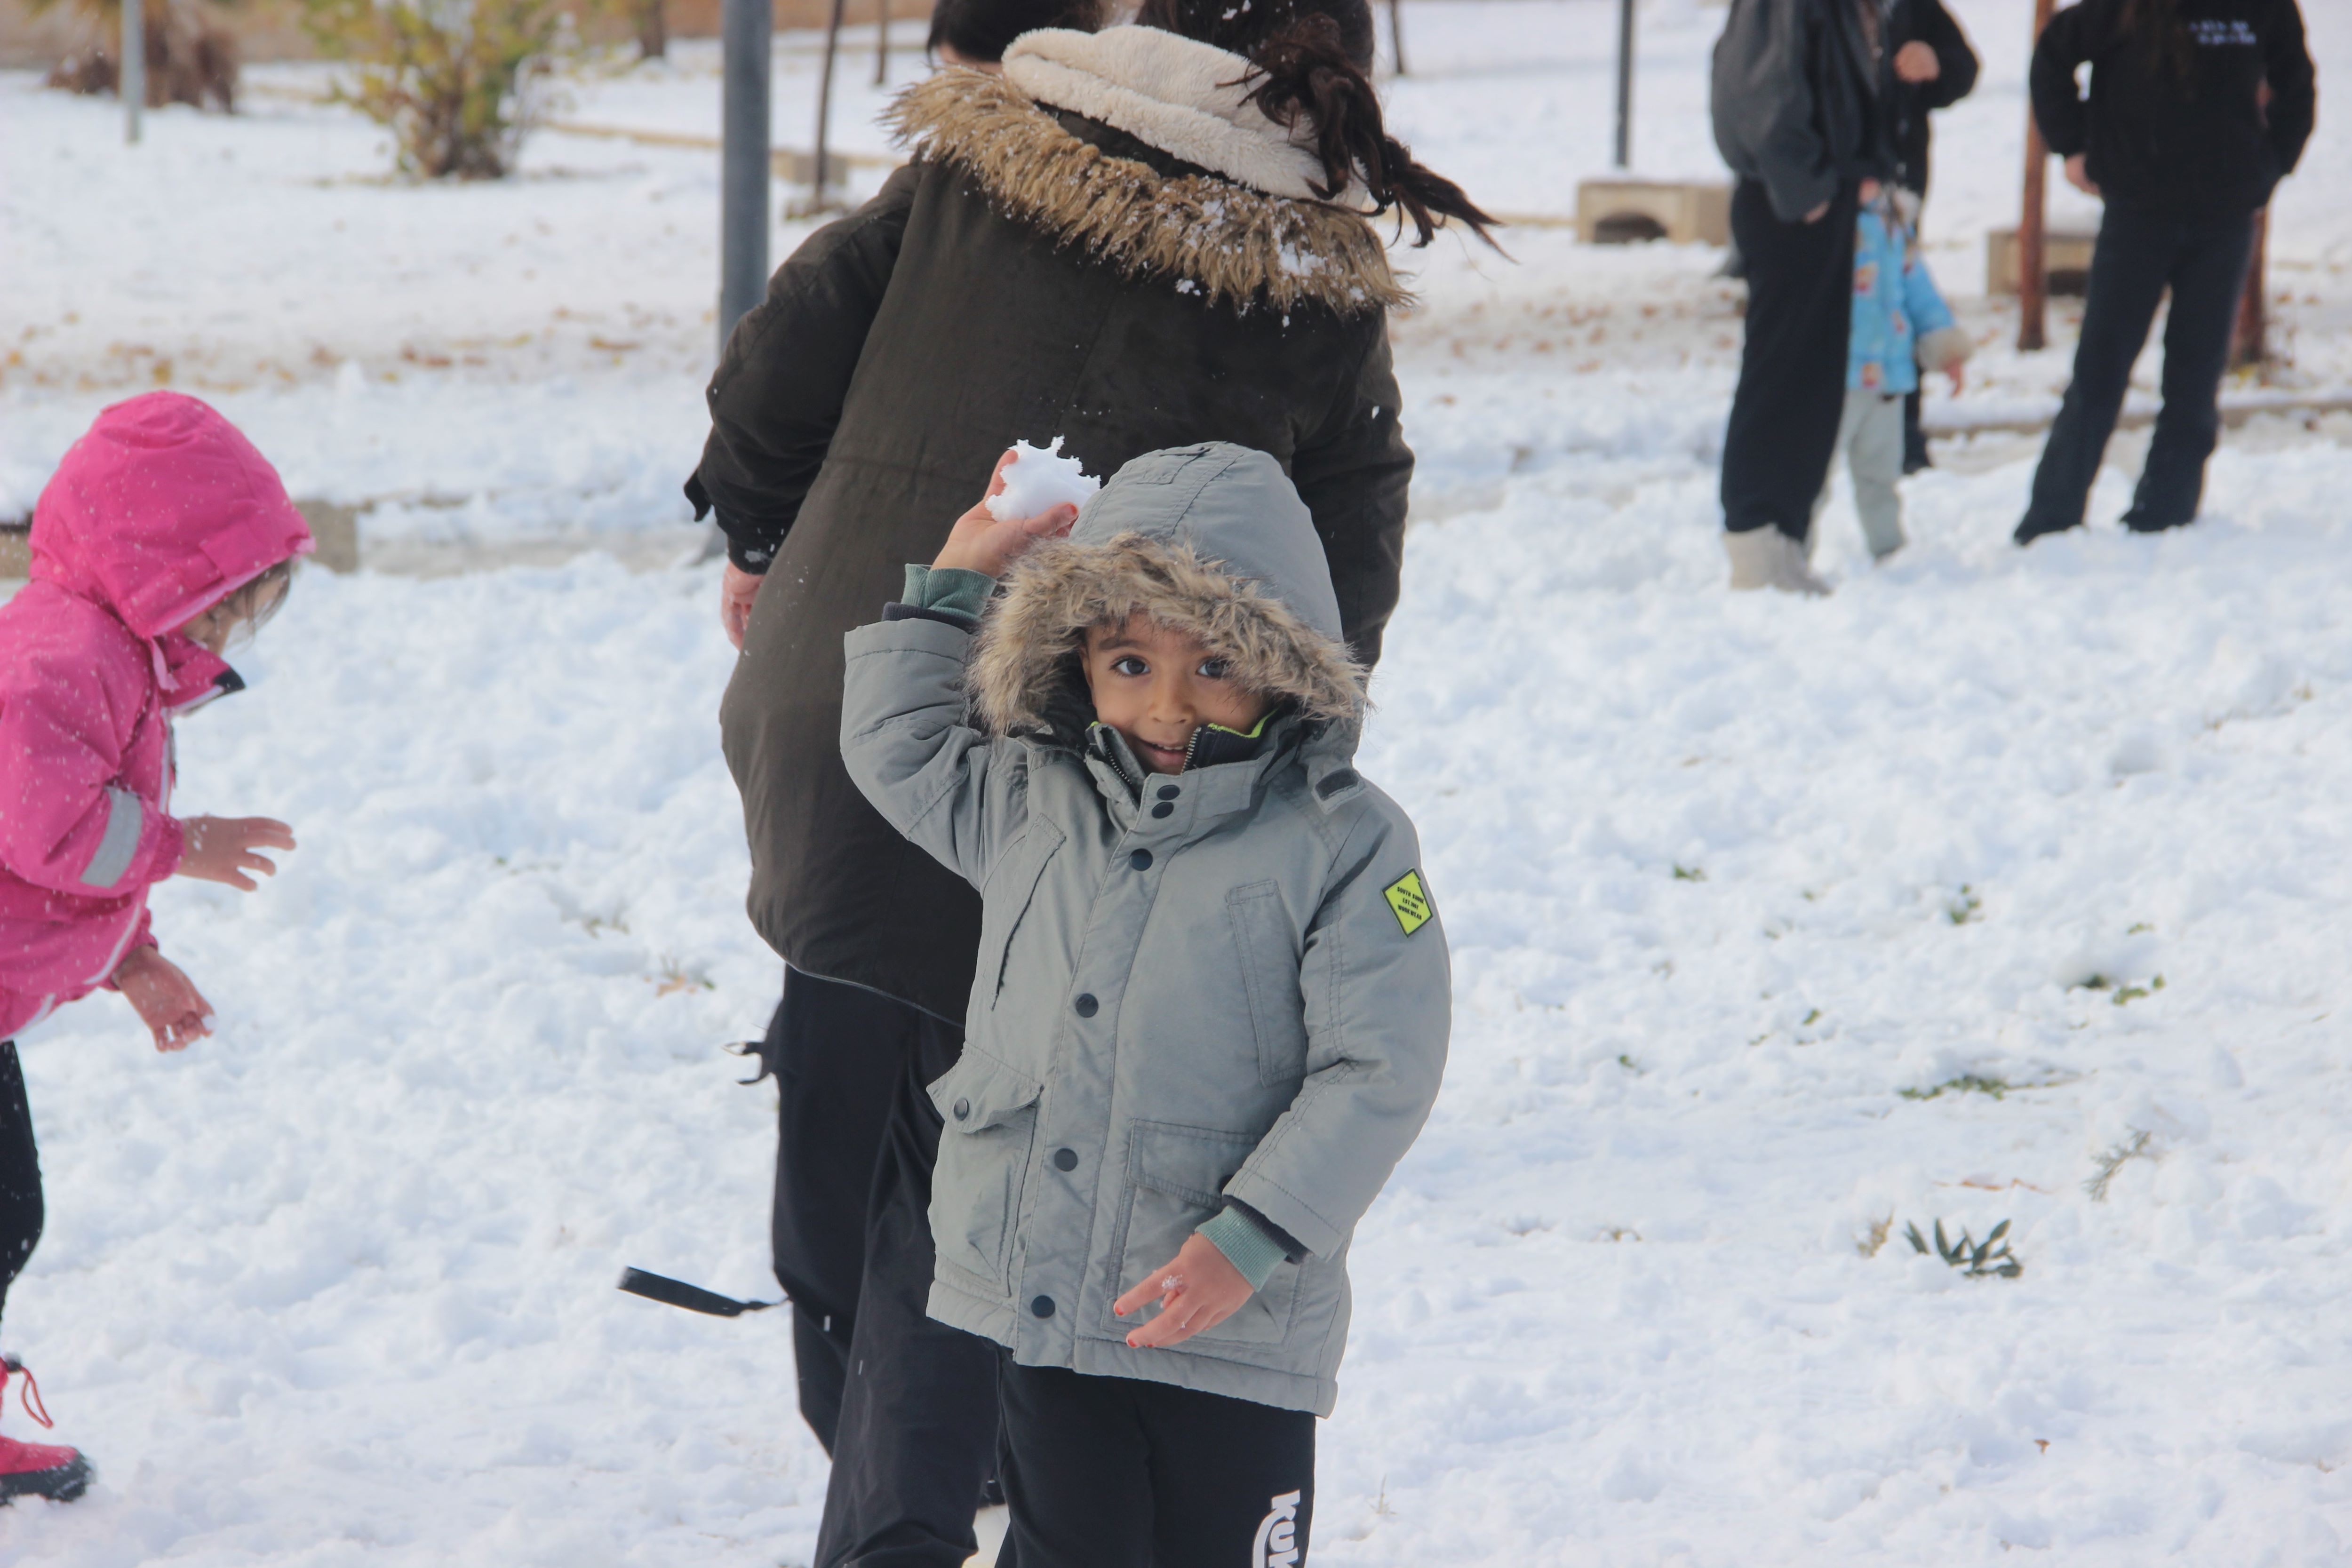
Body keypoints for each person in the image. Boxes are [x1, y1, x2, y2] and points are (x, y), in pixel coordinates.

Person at [685, 3, 1490, 1561]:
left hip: (858, 703)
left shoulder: (974, 167)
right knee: (964, 1139)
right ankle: (926, 1483)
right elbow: (1350, 548)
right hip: (1122, 784)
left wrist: (762, 529)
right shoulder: (1312, 281)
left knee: (876, 1094)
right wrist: (1279, 745)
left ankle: (890, 1457)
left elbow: (787, 350)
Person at [838, 442, 1450, 1566]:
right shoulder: (1036, 799)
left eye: (1215, 663)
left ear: (1286, 665)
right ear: (1078, 658)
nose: (1166, 703)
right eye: (1128, 662)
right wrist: (960, 572)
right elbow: (898, 743)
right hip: (1054, 1299)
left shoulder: (1341, 842)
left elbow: (1381, 1066)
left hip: (1227, 1313)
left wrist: (1253, 1236)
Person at [0, 390, 311, 1502]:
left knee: (7, 1214)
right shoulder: (62, 655)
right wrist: (186, 844)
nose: (225, 640)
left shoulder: (113, 656)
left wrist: (134, 960)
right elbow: (47, 826)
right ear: (166, 578)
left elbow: (69, 863)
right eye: (226, 610)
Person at [2014, 0, 2314, 547]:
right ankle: (2052, 519)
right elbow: (2053, 56)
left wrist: (2269, 169)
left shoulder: (2263, 7)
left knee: (2196, 374)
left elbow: (2297, 84)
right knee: (2100, 369)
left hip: (2223, 215)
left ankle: (2165, 512)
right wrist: (2073, 145)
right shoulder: (2123, 8)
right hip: (2137, 211)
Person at [1711, 0, 1898, 596]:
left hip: (1819, 193)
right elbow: (1753, 90)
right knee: (1782, 375)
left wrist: (1854, 166)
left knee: (1813, 377)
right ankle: (1758, 546)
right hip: (1790, 201)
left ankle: (1783, 542)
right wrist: (1805, 184)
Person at [1808, 190, 1970, 564]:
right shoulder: (1828, 218)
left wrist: (1946, 350)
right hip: (1838, 378)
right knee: (1813, 475)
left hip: (1887, 377)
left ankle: (1889, 553)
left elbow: (1920, 291)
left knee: (1880, 476)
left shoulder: (1893, 221)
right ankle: (1795, 552)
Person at [1883, 0, 1979, 474]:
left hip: (1896, 182)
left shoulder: (1910, 6)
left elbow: (1964, 66)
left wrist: (1937, 63)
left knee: (1897, 299)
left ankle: (1905, 441)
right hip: (1822, 184)